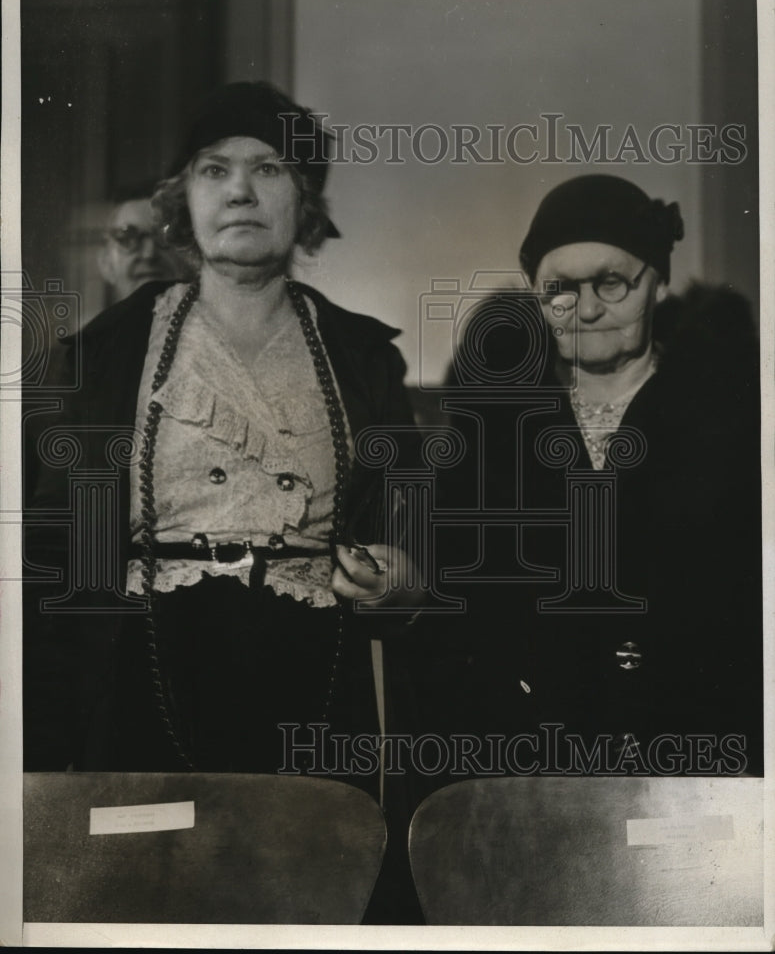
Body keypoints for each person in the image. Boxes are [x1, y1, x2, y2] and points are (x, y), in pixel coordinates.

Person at [24, 82, 423, 784]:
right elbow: (58, 562)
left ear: (303, 203)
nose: (239, 192)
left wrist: (398, 575)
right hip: (147, 675)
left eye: (267, 170)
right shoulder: (104, 354)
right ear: (183, 201)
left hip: (315, 677)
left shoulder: (364, 358)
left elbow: (412, 534)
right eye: (215, 170)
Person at [415, 174, 762, 779]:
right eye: (560, 289)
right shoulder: (494, 425)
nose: (589, 309)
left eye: (611, 281)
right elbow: (458, 600)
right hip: (528, 751)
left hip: (691, 747)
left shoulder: (730, 419)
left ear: (657, 281)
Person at [97, 185, 192, 306]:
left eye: (164, 236)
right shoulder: (100, 326)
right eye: (128, 238)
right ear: (106, 263)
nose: (149, 254)